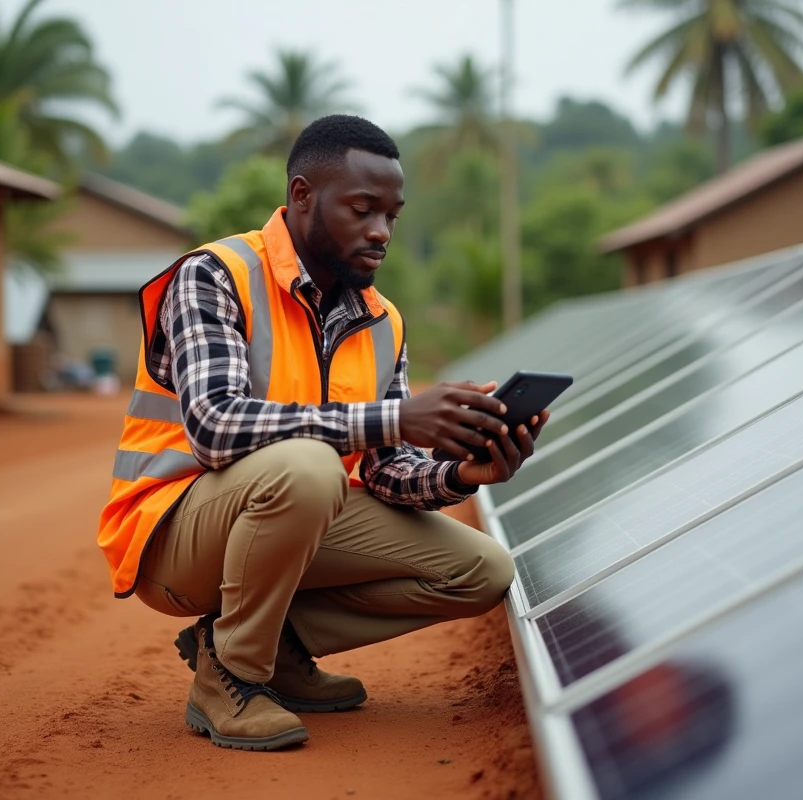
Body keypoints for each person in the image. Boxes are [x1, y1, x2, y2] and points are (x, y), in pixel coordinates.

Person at [96, 114, 549, 752]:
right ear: (302, 197)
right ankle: (231, 676)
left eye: (392, 215)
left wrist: (458, 473)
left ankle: (276, 648)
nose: (380, 232)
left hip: (287, 515)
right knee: (308, 467)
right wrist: (396, 416)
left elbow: (387, 471)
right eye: (362, 209)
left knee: (481, 569)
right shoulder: (216, 274)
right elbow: (214, 427)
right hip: (172, 533)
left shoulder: (382, 319)